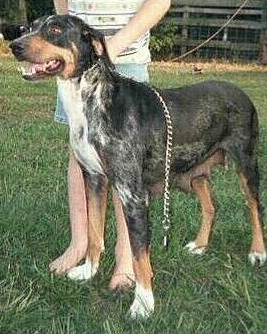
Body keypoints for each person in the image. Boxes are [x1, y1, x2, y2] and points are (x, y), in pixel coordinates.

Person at [49, 0, 171, 290]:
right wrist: (66, 36)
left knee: (124, 164)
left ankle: (126, 257)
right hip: (76, 60)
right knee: (79, 155)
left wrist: (113, 45)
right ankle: (81, 243)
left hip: (124, 56)